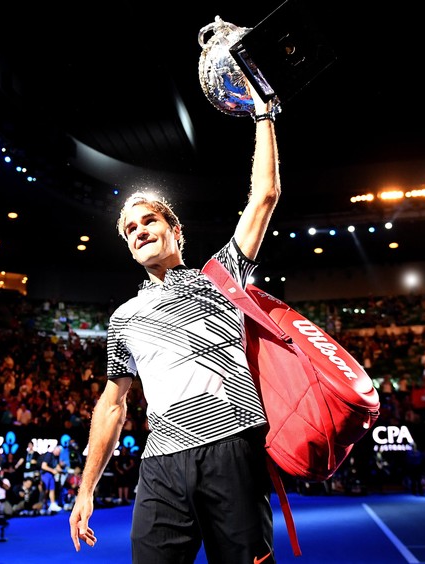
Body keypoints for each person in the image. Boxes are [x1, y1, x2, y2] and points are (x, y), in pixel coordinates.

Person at [69, 86, 280, 563]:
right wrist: (86, 490)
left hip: (232, 448)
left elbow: (264, 196)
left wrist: (263, 112)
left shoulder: (223, 277)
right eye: (130, 230)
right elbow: (112, 405)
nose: (139, 231)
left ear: (174, 229)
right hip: (161, 464)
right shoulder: (124, 318)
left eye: (148, 221)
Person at [39, 444, 63, 512]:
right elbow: (43, 466)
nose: (58, 453)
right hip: (45, 474)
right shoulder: (49, 455)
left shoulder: (57, 456)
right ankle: (43, 505)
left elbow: (57, 466)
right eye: (58, 451)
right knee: (45, 490)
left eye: (59, 452)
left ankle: (52, 504)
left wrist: (62, 471)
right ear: (54, 450)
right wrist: (53, 470)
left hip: (51, 475)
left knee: (52, 489)